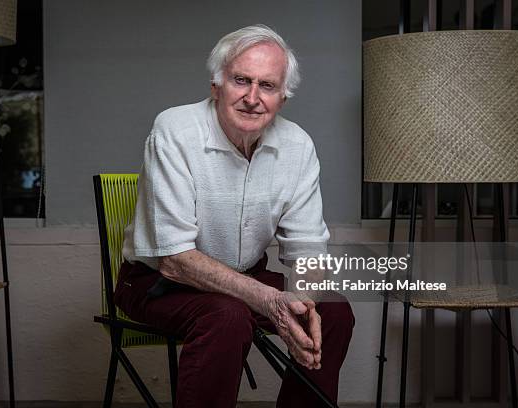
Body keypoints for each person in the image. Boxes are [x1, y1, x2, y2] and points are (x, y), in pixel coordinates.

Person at [114, 24, 354, 408]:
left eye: (268, 86)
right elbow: (174, 260)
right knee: (226, 315)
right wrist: (269, 300)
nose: (253, 98)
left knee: (333, 309)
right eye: (241, 80)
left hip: (247, 278)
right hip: (158, 281)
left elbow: (309, 248)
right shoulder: (175, 130)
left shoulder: (297, 145)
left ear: (283, 98)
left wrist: (301, 303)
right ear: (216, 85)